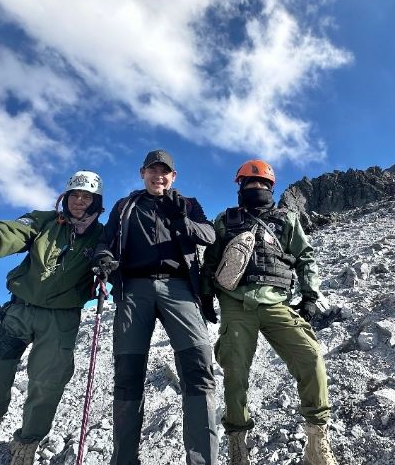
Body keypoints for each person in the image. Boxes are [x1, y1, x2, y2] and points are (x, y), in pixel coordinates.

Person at [0, 171, 105, 465]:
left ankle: (26, 445)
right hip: (19, 308)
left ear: (95, 201)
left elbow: (113, 254)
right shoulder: (44, 221)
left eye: (86, 196)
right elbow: (12, 231)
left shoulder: (102, 234)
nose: (79, 201)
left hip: (61, 318)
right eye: (74, 195)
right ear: (65, 198)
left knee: (47, 382)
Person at [200, 160, 338, 465]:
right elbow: (210, 261)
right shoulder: (226, 220)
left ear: (270, 188)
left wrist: (311, 296)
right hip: (236, 303)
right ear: (240, 187)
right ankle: (238, 444)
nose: (255, 189)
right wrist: (206, 295)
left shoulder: (286, 220)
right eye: (249, 184)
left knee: (311, 356)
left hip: (276, 303)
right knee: (235, 371)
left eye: (261, 184)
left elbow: (305, 257)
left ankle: (316, 442)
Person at [92, 149, 219, 465]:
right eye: (153, 170)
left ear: (173, 176)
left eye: (165, 171)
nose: (158, 175)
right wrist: (103, 259)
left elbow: (210, 236)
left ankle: (203, 461)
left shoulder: (187, 204)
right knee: (127, 373)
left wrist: (183, 221)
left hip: (179, 288)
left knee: (199, 366)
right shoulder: (125, 207)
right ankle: (124, 460)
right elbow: (104, 243)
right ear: (142, 173)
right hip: (134, 290)